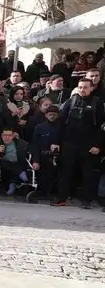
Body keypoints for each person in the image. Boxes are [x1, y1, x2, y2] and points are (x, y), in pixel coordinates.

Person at [52, 77, 105, 208]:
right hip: (69, 144)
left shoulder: (97, 103)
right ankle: (61, 199)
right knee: (65, 173)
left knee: (88, 174)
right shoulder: (71, 101)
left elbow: (101, 127)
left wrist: (97, 145)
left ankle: (87, 201)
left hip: (89, 145)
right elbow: (61, 123)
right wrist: (56, 142)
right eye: (80, 87)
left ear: (92, 88)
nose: (82, 90)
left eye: (85, 87)